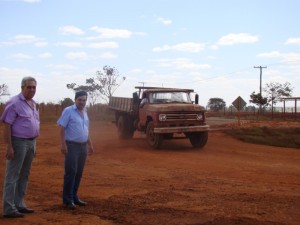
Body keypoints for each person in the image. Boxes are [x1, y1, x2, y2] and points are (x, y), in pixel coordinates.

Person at [1, 76, 39, 218]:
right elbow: (7, 125)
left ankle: (19, 204)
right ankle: (9, 208)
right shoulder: (14, 103)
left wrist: (34, 144)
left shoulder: (33, 104)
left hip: (31, 142)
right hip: (18, 142)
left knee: (24, 174)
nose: (31, 89)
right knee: (13, 175)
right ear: (22, 87)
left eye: (34, 87)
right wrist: (9, 146)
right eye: (29, 87)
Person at [57, 91, 94, 210]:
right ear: (75, 99)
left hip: (83, 146)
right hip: (72, 146)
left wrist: (90, 144)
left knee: (78, 173)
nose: (82, 102)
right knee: (71, 172)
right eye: (80, 100)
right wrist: (63, 145)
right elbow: (62, 128)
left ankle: (74, 196)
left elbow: (86, 129)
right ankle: (67, 200)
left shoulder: (85, 111)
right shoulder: (68, 111)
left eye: (84, 100)